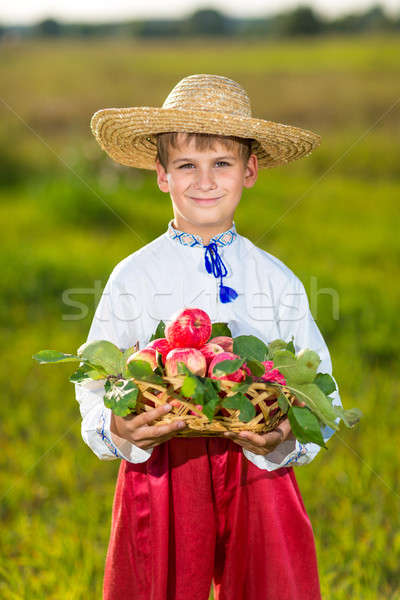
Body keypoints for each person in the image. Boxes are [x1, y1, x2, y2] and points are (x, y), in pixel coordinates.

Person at [77, 74, 341, 600]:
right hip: (164, 471)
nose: (204, 180)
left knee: (268, 587)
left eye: (221, 163)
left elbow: (323, 389)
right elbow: (93, 381)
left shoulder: (276, 279)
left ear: (250, 170)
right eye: (186, 165)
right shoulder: (134, 275)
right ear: (161, 175)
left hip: (256, 469)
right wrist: (120, 427)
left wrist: (286, 434)